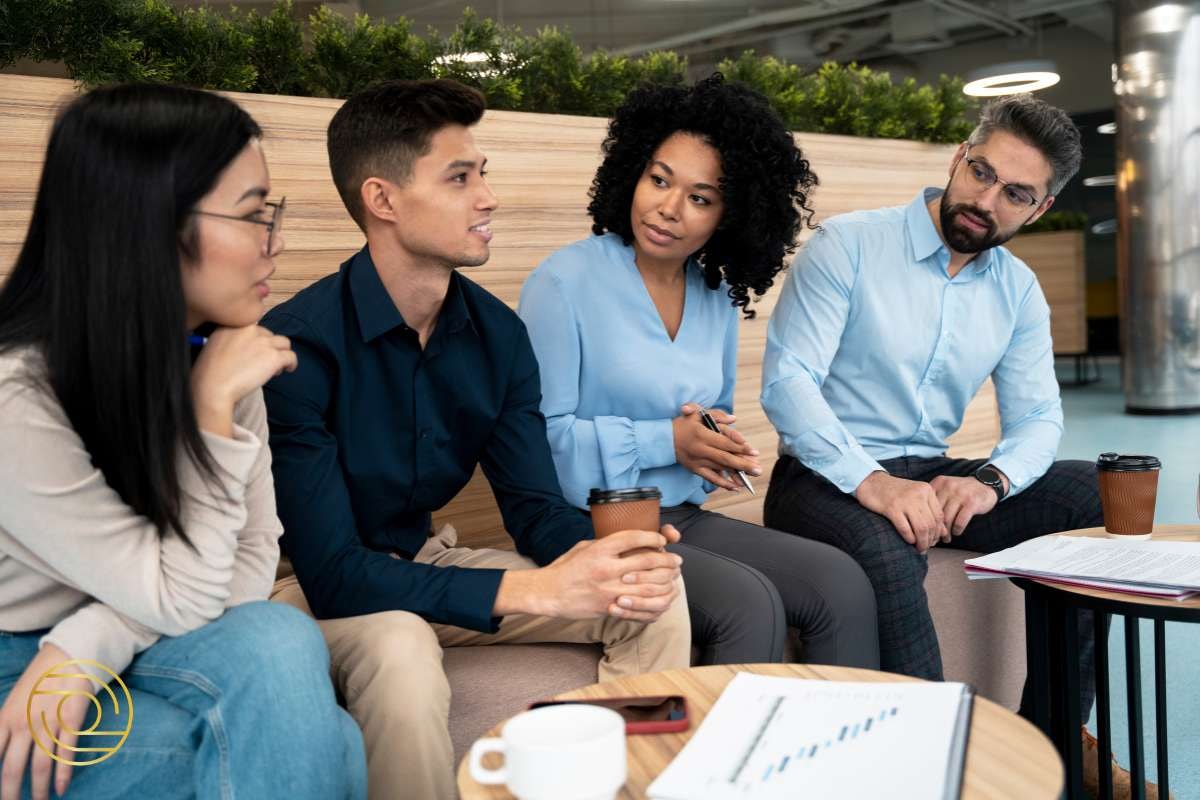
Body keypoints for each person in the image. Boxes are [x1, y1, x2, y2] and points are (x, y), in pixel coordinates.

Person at [261, 78, 690, 800]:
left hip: (423, 556)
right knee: (398, 645)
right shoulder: (299, 348)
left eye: (482, 173)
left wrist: (604, 555)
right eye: (460, 178)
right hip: (302, 586)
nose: (487, 197)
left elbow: (532, 508)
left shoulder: (498, 336)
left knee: (652, 596)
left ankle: (628, 788)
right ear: (383, 200)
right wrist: (539, 590)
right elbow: (334, 573)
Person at [760, 93, 1156, 799]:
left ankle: (1051, 754)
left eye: (1014, 193)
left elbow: (1038, 418)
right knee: (886, 552)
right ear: (958, 158)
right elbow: (789, 384)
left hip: (933, 474)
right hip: (822, 477)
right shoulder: (849, 245)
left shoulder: (1018, 292)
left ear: (1037, 210)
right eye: (980, 172)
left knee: (1093, 499)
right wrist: (875, 485)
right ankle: (937, 774)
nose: (984, 199)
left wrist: (990, 482)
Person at [0, 84, 366, 800]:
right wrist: (208, 412)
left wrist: (89, 644)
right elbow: (175, 594)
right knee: (335, 741)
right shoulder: (19, 395)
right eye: (255, 214)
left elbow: (255, 557)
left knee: (281, 637)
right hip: (16, 660)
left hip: (118, 638)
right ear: (149, 222)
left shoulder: (222, 357)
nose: (277, 239)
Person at [518, 75, 879, 668]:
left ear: (729, 217)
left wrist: (714, 448)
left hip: (682, 516)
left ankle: (841, 753)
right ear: (632, 172)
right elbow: (539, 445)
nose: (668, 208)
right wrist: (671, 440)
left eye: (701, 197)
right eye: (659, 179)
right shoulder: (562, 284)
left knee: (840, 581)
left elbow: (702, 434)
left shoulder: (715, 298)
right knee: (748, 603)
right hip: (589, 522)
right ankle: (722, 762)